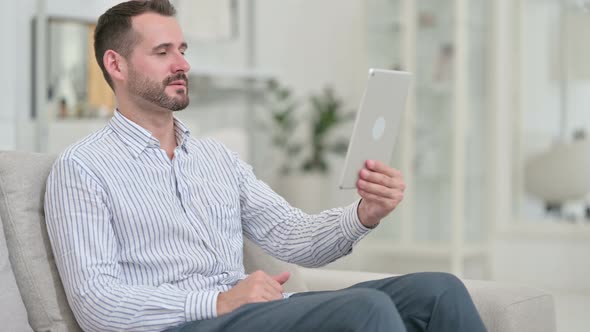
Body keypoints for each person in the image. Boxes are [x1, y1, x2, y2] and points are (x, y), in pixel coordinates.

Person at [44, 1, 487, 331]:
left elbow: (294, 236)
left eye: (182, 49)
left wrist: (362, 215)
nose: (183, 64)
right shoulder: (84, 168)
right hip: (182, 326)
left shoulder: (216, 159)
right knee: (366, 312)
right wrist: (218, 301)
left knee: (439, 292)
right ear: (115, 64)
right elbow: (98, 306)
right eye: (163, 52)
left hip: (250, 314)